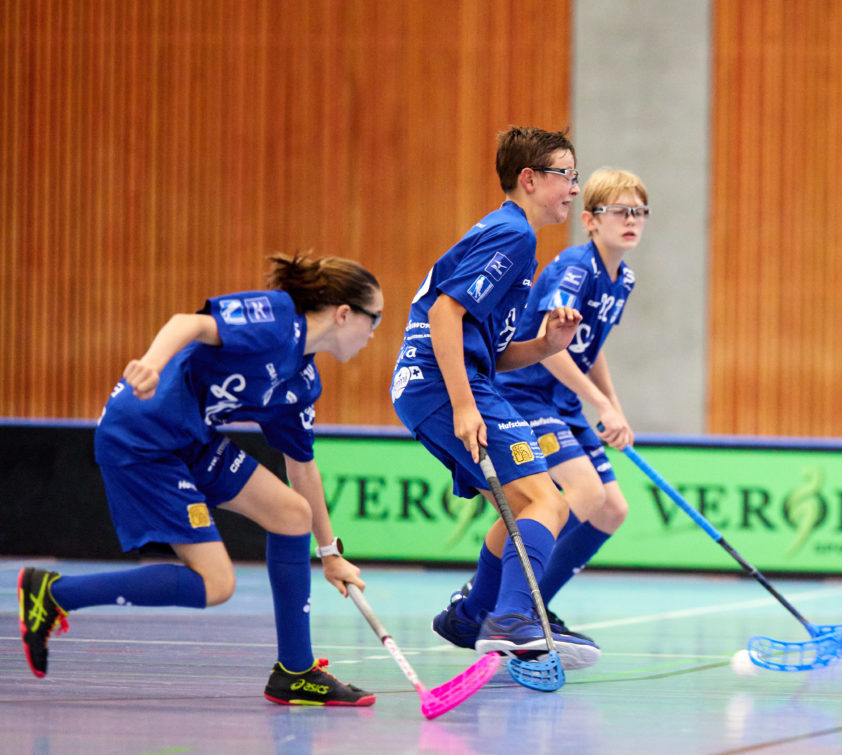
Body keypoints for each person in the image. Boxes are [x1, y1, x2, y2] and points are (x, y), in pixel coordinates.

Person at [17, 252, 382, 707]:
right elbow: (188, 324)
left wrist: (330, 554)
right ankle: (54, 593)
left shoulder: (301, 384)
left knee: (292, 513)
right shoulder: (276, 320)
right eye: (374, 319)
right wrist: (152, 363)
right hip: (142, 437)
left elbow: (302, 468)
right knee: (216, 584)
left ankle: (295, 672)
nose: (373, 334)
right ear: (344, 314)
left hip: (192, 439)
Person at [390, 125, 599, 669]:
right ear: (529, 179)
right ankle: (510, 618)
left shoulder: (510, 236)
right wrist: (464, 405)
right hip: (443, 384)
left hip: (439, 383)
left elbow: (488, 350)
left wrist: (546, 345)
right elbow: (445, 313)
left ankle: (472, 615)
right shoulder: (513, 235)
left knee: (521, 508)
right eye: (565, 176)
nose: (574, 188)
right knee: (549, 501)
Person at [488, 167, 648, 632]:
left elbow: (590, 347)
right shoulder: (576, 268)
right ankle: (500, 601)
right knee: (586, 492)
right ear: (590, 220)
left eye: (639, 211)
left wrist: (613, 406)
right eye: (619, 211)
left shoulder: (623, 279)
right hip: (525, 394)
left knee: (612, 509)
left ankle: (537, 604)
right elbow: (552, 345)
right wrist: (601, 404)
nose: (631, 219)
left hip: (563, 402)